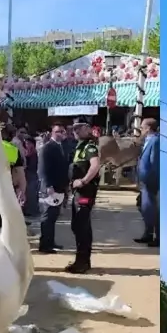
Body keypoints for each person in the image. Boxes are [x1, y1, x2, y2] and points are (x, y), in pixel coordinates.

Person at [66, 116, 101, 273]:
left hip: (85, 192)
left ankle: (82, 263)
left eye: (79, 127)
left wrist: (84, 181)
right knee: (78, 226)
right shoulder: (79, 147)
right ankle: (82, 261)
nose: (76, 130)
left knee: (81, 226)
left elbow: (95, 166)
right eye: (74, 128)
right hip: (78, 192)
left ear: (88, 128)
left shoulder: (89, 147)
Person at [37, 123, 70, 253]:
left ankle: (51, 242)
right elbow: (42, 169)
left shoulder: (62, 146)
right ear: (52, 133)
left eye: (62, 131)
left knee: (54, 216)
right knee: (48, 216)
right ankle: (45, 244)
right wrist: (48, 185)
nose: (60, 134)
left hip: (60, 187)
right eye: (57, 132)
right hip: (50, 188)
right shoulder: (47, 148)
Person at [134, 117, 160, 247]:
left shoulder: (155, 141)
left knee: (153, 209)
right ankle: (148, 233)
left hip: (150, 182)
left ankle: (158, 237)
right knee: (145, 208)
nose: (141, 130)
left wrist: (152, 181)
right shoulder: (147, 140)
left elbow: (155, 163)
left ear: (148, 128)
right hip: (144, 182)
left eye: (142, 127)